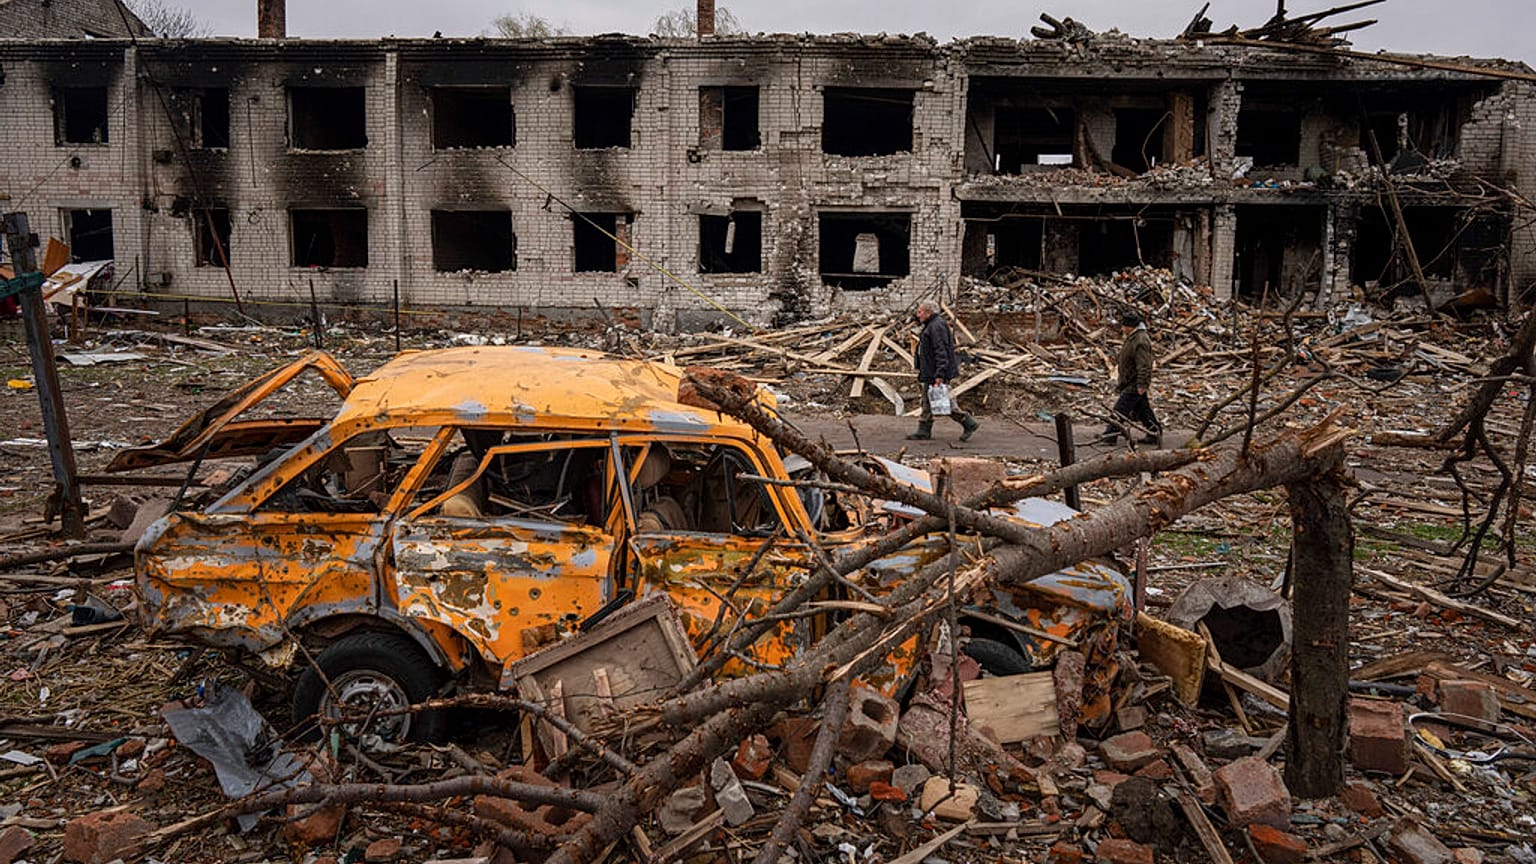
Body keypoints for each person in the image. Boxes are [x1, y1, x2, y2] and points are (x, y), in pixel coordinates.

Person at [907, 300, 980, 442]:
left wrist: (939, 374)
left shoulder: (936, 326)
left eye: (920, 312)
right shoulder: (932, 325)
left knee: (942, 401)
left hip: (936, 372)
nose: (918, 315)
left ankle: (968, 422)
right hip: (931, 371)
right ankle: (923, 431)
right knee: (927, 401)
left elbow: (941, 352)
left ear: (929, 312)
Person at [1100, 309, 1162, 446]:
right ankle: (1154, 432)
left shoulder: (1140, 340)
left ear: (1131, 326)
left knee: (1120, 410)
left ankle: (1110, 435)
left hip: (1134, 382)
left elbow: (1144, 365)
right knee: (1143, 410)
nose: (1122, 328)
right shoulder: (1134, 337)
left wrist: (1142, 384)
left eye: (1124, 326)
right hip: (1130, 381)